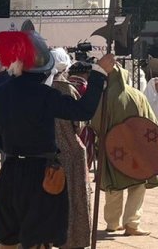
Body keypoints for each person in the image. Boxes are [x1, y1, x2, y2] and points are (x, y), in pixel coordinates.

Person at [0, 30, 113, 249]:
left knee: (8, 238)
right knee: (39, 238)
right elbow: (82, 111)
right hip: (41, 173)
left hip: (10, 171)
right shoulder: (45, 94)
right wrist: (100, 72)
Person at [91, 66, 158, 237]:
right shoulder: (138, 95)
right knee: (137, 185)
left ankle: (112, 223)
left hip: (112, 148)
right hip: (137, 148)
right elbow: (151, 122)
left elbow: (95, 123)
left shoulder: (104, 97)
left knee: (113, 185)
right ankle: (132, 223)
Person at [51, 52, 94, 249]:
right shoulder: (66, 90)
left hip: (48, 150)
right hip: (70, 150)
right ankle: (73, 239)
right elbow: (79, 123)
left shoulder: (42, 89)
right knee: (74, 199)